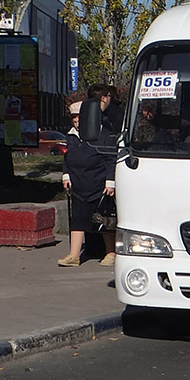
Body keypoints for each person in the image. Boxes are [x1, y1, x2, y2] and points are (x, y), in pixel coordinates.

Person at [58, 100, 116, 267]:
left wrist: (110, 182)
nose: (76, 123)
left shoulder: (105, 135)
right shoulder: (71, 135)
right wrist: (66, 175)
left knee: (104, 220)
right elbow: (67, 158)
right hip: (79, 184)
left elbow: (110, 159)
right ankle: (74, 255)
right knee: (78, 220)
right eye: (74, 120)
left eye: (79, 119)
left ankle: (110, 253)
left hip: (99, 185)